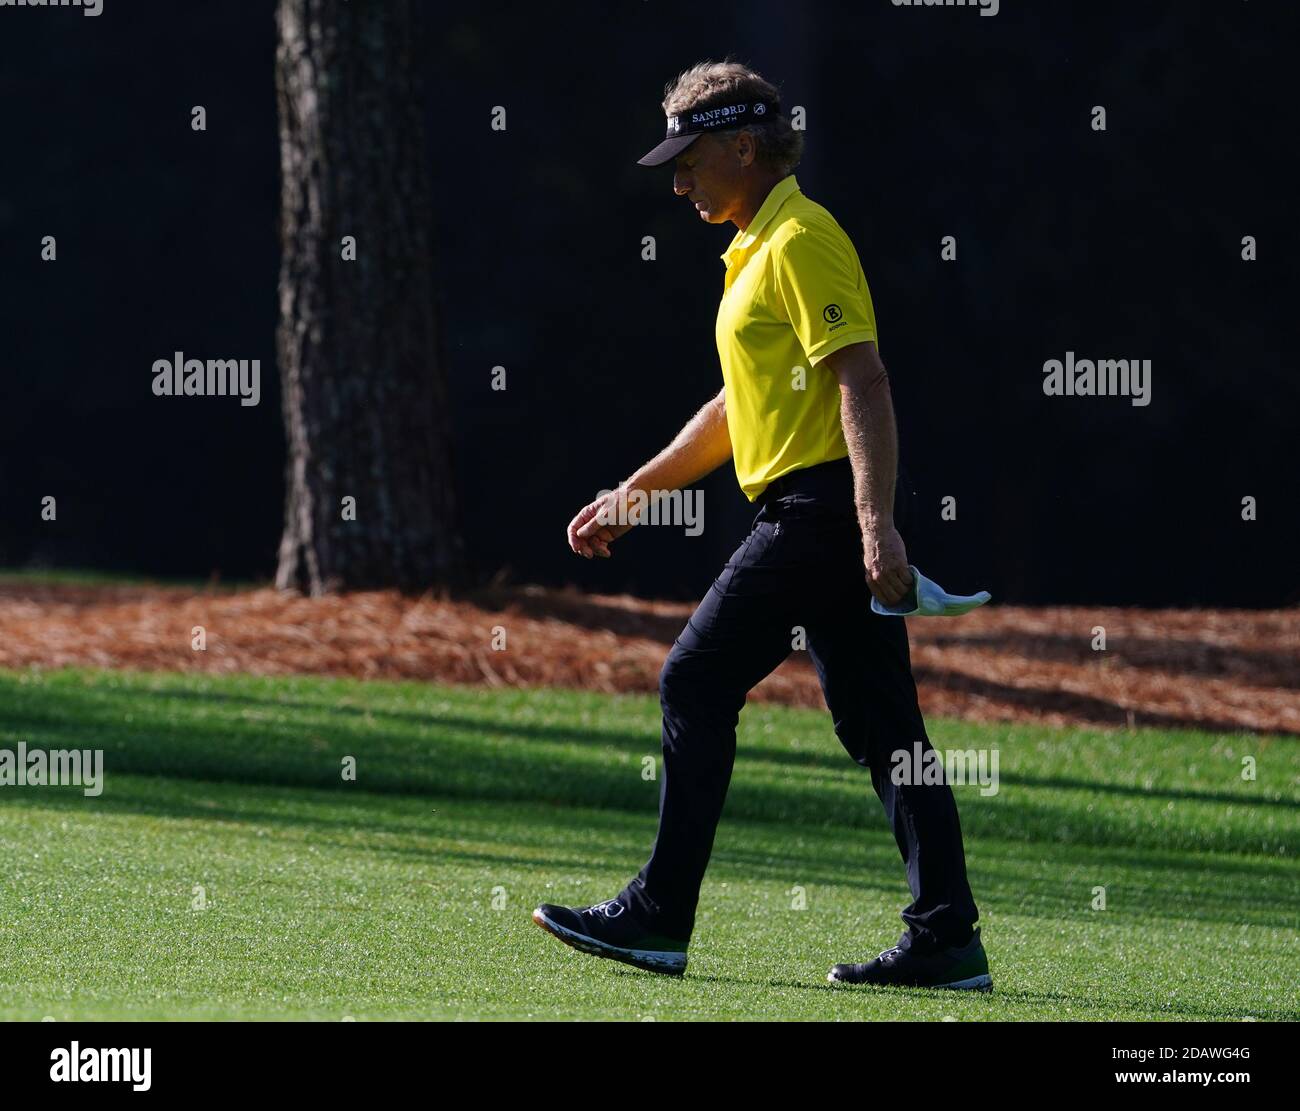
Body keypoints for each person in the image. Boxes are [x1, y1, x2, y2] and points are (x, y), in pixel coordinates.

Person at [533, 61, 990, 991]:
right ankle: (947, 936)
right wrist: (635, 494)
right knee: (883, 727)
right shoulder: (753, 246)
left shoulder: (801, 239)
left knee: (694, 679)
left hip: (818, 512)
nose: (679, 181)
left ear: (745, 146)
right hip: (815, 509)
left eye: (692, 159)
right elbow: (736, 410)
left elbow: (862, 378)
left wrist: (876, 528)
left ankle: (659, 915)